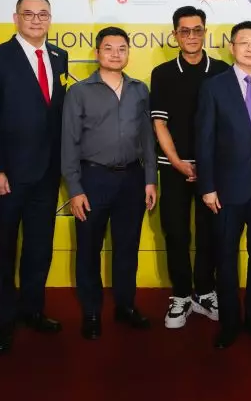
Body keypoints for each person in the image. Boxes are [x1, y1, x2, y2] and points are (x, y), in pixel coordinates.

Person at [0, 0, 68, 355]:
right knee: (2, 250)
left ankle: (33, 310)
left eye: (43, 14)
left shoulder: (59, 56)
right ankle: (2, 323)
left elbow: (56, 114)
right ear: (16, 18)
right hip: (8, 175)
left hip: (47, 173)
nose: (36, 20)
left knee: (39, 248)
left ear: (50, 19)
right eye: (29, 14)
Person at [62, 27, 157, 340]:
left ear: (128, 52)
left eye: (121, 49)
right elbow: (69, 142)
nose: (116, 54)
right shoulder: (79, 92)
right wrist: (75, 189)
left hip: (132, 179)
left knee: (127, 248)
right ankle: (91, 311)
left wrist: (150, 179)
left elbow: (147, 138)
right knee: (88, 249)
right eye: (108, 48)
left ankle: (125, 306)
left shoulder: (140, 90)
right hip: (93, 178)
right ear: (97, 52)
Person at [196, 21, 251, 349]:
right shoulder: (213, 87)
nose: (250, 48)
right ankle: (230, 323)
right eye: (244, 42)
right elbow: (204, 139)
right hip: (225, 190)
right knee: (226, 258)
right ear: (232, 47)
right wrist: (207, 186)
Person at [150, 6, 228, 328]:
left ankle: (205, 292)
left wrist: (208, 166)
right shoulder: (163, 73)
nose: (192, 36)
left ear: (205, 32)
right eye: (185, 31)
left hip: (213, 170)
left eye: (197, 30)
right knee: (176, 232)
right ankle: (181, 295)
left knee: (210, 233)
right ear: (175, 35)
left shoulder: (222, 71)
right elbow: (159, 124)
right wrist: (179, 163)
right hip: (173, 167)